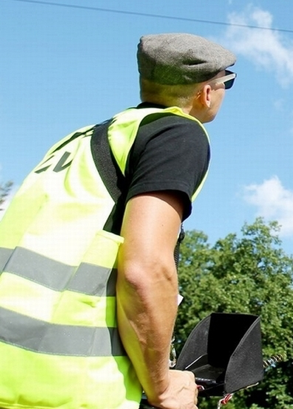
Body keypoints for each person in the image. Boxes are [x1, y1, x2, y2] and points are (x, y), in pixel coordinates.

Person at [0, 33, 237, 409]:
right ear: (206, 93)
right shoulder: (177, 133)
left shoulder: (78, 141)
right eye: (228, 82)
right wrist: (162, 386)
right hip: (67, 385)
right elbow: (144, 269)